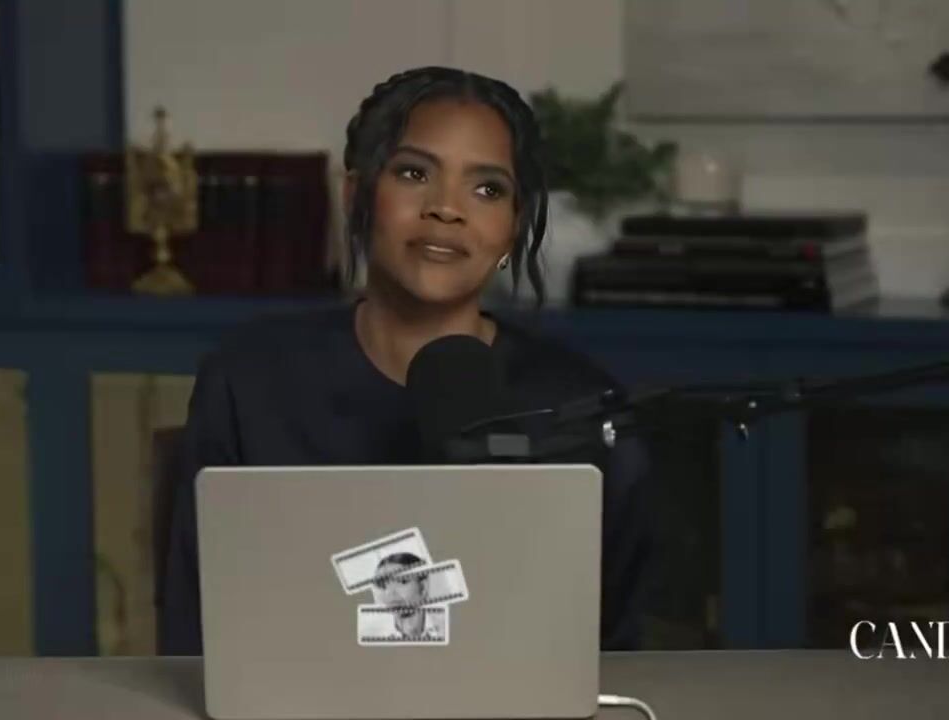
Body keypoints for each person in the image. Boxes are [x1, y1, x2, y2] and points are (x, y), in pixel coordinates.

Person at [159, 66, 652, 655]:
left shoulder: (582, 406)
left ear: (514, 226)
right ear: (356, 196)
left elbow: (614, 650)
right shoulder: (249, 379)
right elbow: (193, 626)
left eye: (487, 189)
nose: (446, 208)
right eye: (414, 173)